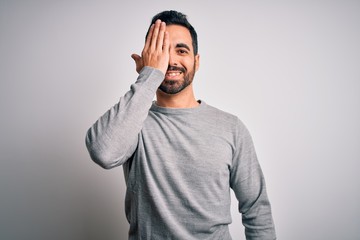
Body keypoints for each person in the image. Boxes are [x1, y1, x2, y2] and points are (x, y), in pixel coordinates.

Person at [85, 10, 276, 240]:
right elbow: (102, 152)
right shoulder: (133, 123)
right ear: (148, 60)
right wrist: (148, 76)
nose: (172, 61)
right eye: (162, 51)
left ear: (196, 61)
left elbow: (257, 212)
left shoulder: (231, 128)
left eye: (181, 50)